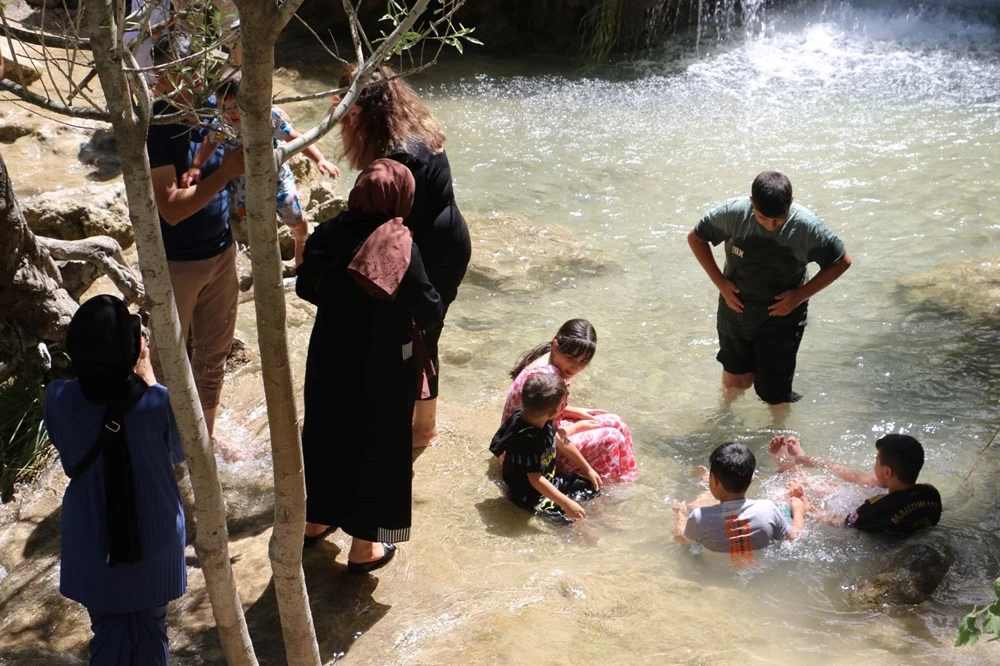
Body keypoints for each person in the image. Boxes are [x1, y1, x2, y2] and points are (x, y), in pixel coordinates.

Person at [296, 159, 443, 573]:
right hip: (381, 364)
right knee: (376, 446)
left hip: (328, 354)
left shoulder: (328, 231)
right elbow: (428, 308)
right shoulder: (398, 243)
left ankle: (315, 521)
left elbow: (307, 287)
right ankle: (364, 548)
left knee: (326, 434)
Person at [43, 295, 186, 665]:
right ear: (134, 349)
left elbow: (68, 443)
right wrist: (147, 372)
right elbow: (179, 452)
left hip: (93, 545)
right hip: (154, 542)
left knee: (108, 631)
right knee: (152, 630)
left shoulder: (57, 398)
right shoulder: (161, 404)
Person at [334, 64, 472, 448]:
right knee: (425, 331)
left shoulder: (398, 154)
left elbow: (383, 224)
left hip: (430, 247)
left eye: (345, 110)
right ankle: (421, 421)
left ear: (359, 110)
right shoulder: (413, 126)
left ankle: (424, 428)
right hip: (447, 236)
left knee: (418, 334)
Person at [146, 34, 244, 458]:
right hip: (177, 262)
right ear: (163, 76)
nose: (195, 78)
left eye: (198, 68)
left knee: (214, 355)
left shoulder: (212, 110)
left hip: (222, 253)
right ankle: (166, 441)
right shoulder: (159, 125)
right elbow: (170, 209)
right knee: (170, 359)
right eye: (182, 70)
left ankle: (204, 438)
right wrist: (224, 175)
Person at [686, 171, 852, 406]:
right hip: (736, 306)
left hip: (783, 314)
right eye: (763, 219)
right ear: (752, 202)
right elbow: (695, 238)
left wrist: (800, 296)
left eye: (779, 220)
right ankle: (724, 415)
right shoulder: (732, 214)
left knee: (774, 392)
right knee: (736, 379)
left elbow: (841, 261)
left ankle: (777, 432)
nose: (771, 226)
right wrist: (720, 283)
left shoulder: (807, 226)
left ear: (791, 201)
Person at [181, 72, 341, 266]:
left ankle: (301, 242)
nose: (230, 112)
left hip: (276, 177)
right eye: (224, 106)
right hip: (243, 185)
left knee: (295, 218)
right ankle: (266, 260)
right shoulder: (223, 126)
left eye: (236, 106)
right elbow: (210, 142)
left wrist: (320, 159)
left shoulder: (266, 119)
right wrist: (195, 166)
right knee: (250, 227)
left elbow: (297, 138)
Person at [503, 319, 638, 484]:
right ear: (555, 344)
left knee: (616, 422)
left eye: (583, 362)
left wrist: (573, 411)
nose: (575, 367)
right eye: (570, 358)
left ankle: (625, 480)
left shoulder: (552, 361)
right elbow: (548, 435)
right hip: (531, 451)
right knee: (611, 438)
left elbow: (541, 409)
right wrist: (577, 428)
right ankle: (603, 490)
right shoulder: (547, 377)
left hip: (543, 429)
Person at [769, 434, 942, 535]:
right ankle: (804, 461)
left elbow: (836, 522)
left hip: (876, 535)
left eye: (877, 461)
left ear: (888, 472)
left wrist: (807, 506)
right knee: (866, 485)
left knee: (833, 495)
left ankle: (792, 469)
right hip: (901, 519)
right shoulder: (930, 493)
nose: (875, 465)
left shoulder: (875, 509)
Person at [490, 373, 601, 521]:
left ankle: (602, 516)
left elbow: (560, 440)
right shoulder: (528, 439)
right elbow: (535, 480)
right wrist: (567, 503)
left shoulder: (536, 419)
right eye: (563, 404)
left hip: (550, 480)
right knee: (569, 519)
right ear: (554, 412)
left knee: (591, 486)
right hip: (530, 495)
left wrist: (587, 469)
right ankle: (589, 535)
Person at [673, 442, 803, 566]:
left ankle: (710, 487)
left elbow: (681, 538)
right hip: (762, 568)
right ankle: (790, 471)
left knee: (693, 507)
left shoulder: (699, 516)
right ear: (752, 478)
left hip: (717, 571)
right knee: (782, 501)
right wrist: (799, 509)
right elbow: (795, 539)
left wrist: (680, 513)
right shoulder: (768, 508)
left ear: (713, 480)